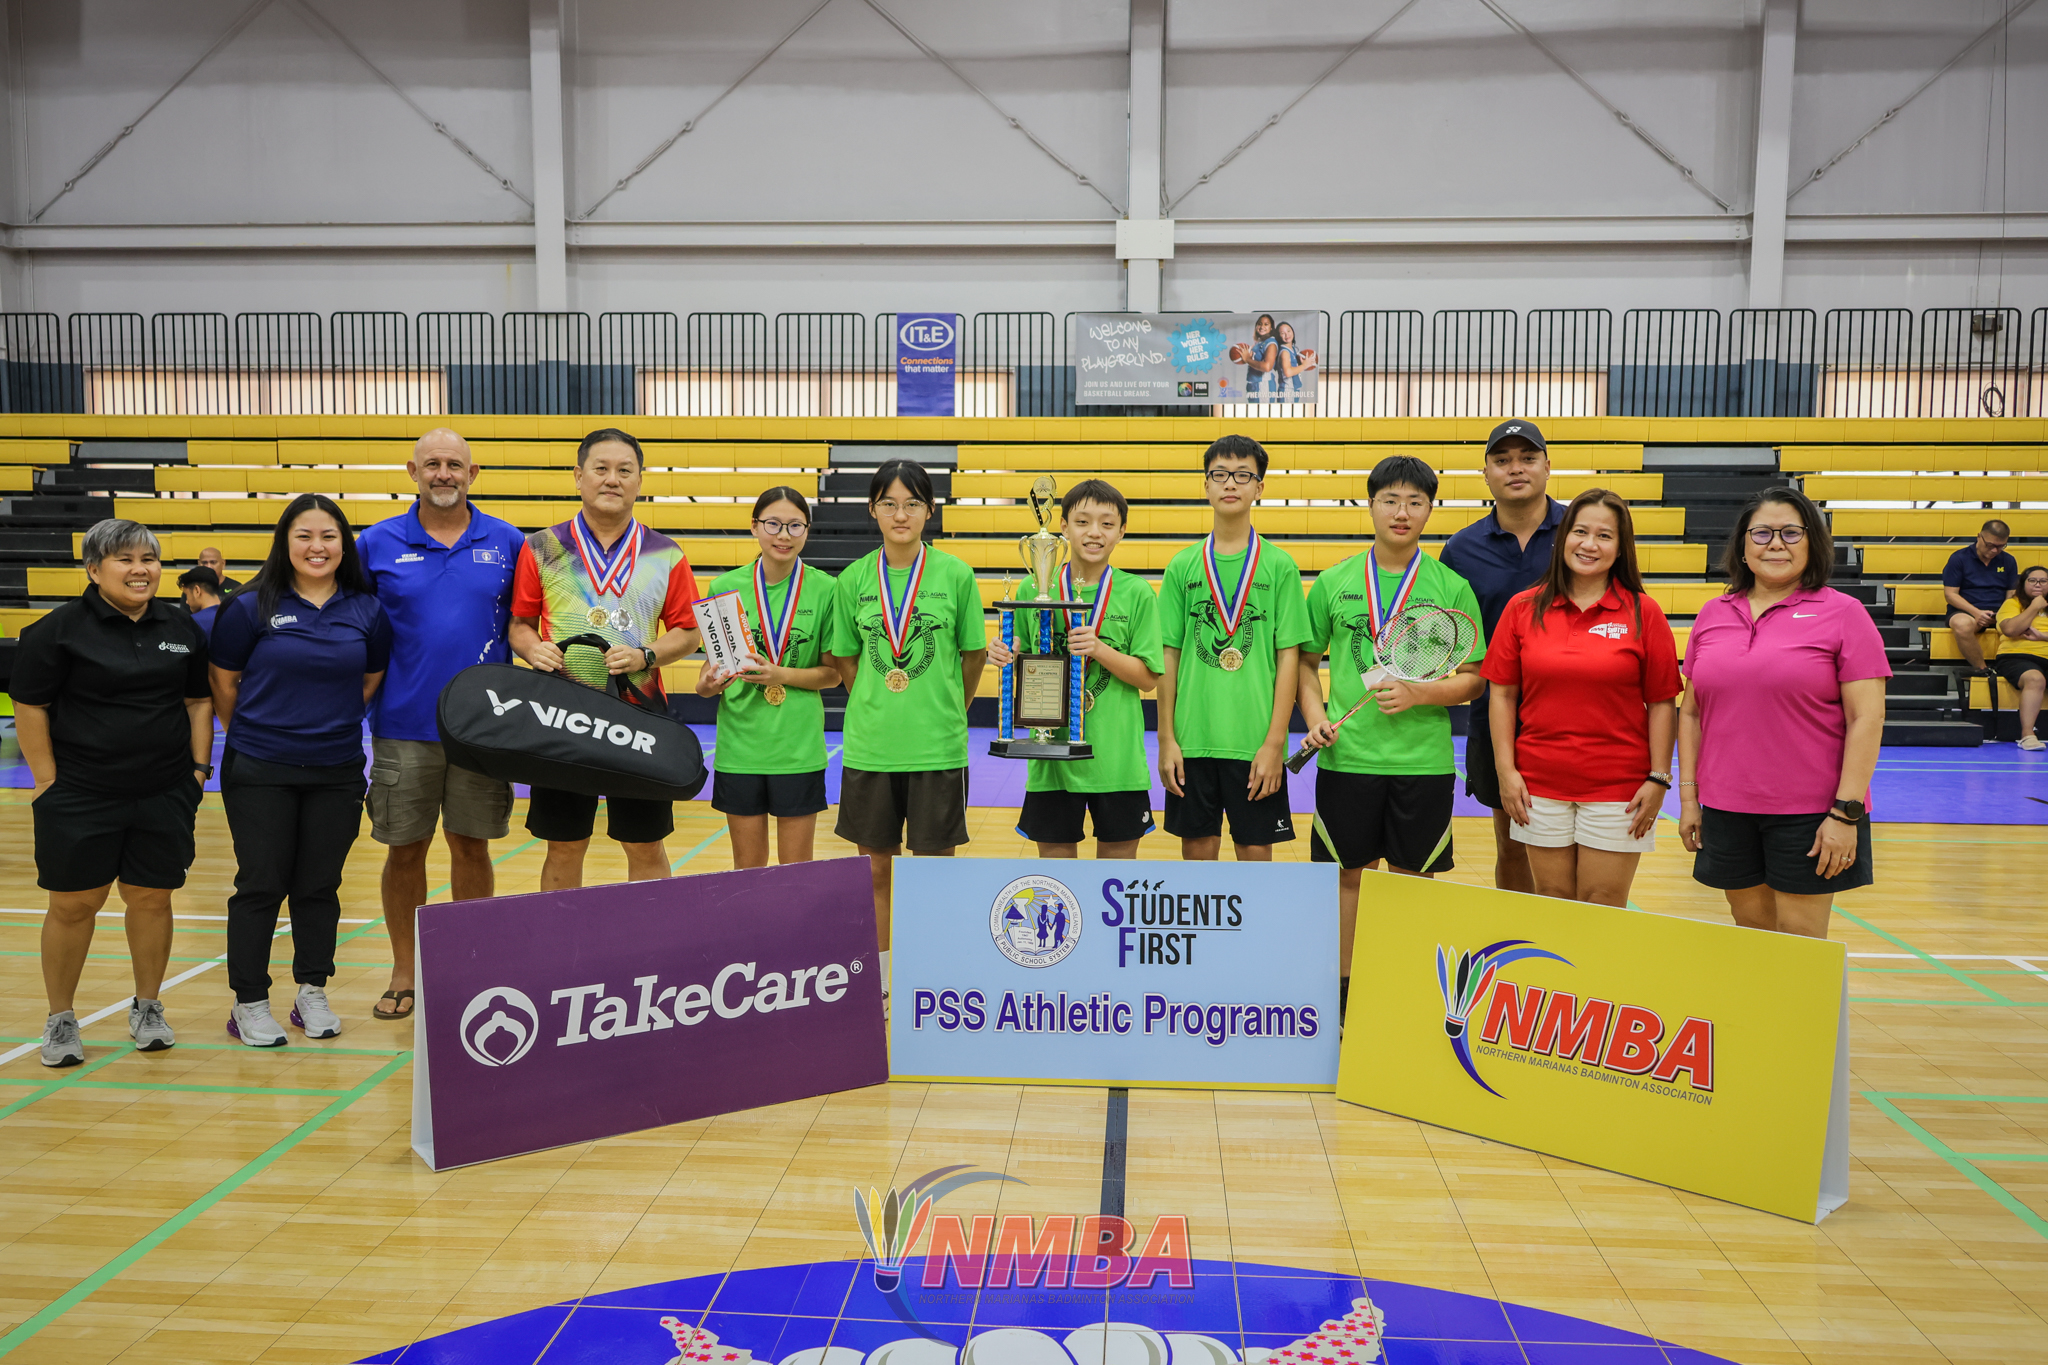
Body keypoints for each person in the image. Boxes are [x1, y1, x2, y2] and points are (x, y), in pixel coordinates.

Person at [12, 520, 213, 1066]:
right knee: (75, 904)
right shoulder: (57, 630)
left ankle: (148, 1007)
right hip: (80, 793)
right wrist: (48, 781)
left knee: (151, 899)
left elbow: (198, 702)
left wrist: (197, 770)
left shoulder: (181, 626)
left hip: (165, 790)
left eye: (149, 558)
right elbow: (29, 705)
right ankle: (60, 1019)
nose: (140, 569)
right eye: (124, 559)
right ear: (93, 569)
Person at [1298, 456, 1484, 1010]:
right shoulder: (1333, 582)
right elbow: (1306, 665)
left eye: (1415, 502)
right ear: (1370, 503)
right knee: (1348, 879)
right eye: (1390, 500)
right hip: (1347, 761)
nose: (1402, 512)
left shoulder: (1451, 586)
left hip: (1420, 765)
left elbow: (1473, 679)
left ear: (1431, 509)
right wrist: (1312, 719)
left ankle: (1402, 992)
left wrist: (1421, 692)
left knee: (1408, 881)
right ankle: (1344, 992)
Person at [355, 427, 525, 1021]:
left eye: (455, 464)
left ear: (473, 474)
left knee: (471, 845)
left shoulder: (508, 541)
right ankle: (406, 968)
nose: (444, 473)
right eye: (433, 464)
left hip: (482, 729)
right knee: (405, 850)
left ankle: (470, 966)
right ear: (413, 471)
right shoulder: (374, 545)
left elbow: (526, 624)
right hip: (402, 725)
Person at [209, 495, 392, 1046]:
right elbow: (223, 684)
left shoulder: (367, 610)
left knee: (319, 885)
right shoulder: (247, 607)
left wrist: (322, 725)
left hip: (335, 768)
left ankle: (312, 989)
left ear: (344, 545)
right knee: (260, 884)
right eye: (305, 536)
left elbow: (368, 682)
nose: (317, 547)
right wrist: (263, 732)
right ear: (285, 543)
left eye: (329, 536)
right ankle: (249, 1002)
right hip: (261, 766)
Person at [1678, 488, 1890, 938]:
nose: (1776, 543)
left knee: (1800, 941)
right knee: (1752, 931)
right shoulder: (1713, 614)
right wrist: (1690, 799)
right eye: (1762, 533)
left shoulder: (1844, 614)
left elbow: (1866, 719)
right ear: (1743, 545)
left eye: (1791, 533)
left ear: (1812, 542)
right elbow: (1692, 713)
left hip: (1812, 813)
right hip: (1726, 807)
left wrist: (1845, 814)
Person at [509, 427, 703, 889]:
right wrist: (531, 647)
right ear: (579, 477)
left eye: (624, 470)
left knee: (645, 842)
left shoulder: (666, 553)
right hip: (561, 714)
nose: (612, 479)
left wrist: (645, 654)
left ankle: (650, 945)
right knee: (565, 842)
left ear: (640, 480)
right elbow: (519, 624)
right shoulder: (541, 547)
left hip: (637, 715)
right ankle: (561, 950)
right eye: (601, 469)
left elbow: (690, 633)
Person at [1482, 490, 1681, 906]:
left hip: (1619, 790)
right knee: (1551, 900)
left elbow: (1662, 702)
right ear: (1563, 538)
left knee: (1601, 903)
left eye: (1605, 536)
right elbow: (1501, 695)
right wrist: (1506, 771)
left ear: (1620, 547)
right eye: (1580, 531)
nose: (1590, 544)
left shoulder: (1645, 613)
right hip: (1538, 784)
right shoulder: (1522, 608)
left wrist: (1659, 778)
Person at [825, 459, 987, 969]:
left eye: (912, 503)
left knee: (934, 870)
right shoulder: (852, 580)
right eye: (890, 504)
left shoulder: (956, 575)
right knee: (874, 869)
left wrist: (947, 710)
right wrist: (875, 701)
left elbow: (974, 654)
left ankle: (930, 974)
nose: (901, 514)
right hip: (872, 746)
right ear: (873, 509)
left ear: (929, 511)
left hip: (937, 747)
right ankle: (885, 976)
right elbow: (844, 658)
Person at [984, 479, 1163, 858]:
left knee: (1114, 877)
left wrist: (1099, 649)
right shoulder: (1034, 589)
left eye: (1107, 523)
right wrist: (1008, 651)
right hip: (1051, 761)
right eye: (1082, 522)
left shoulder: (1136, 593)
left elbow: (1148, 678)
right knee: (1057, 881)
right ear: (1062, 527)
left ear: (1122, 531)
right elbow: (1029, 657)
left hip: (1116, 763)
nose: (1094, 532)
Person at [1158, 435, 1311, 862]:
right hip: (1193, 742)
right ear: (1205, 485)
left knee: (1256, 856)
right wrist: (1167, 739)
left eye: (1243, 475)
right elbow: (1168, 657)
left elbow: (1289, 660)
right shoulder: (1182, 566)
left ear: (1259, 487)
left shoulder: (1279, 566)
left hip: (1255, 743)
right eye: (1220, 474)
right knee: (1198, 862)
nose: (1231, 483)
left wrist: (1274, 743)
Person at [1439, 418, 1564, 895]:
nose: (1516, 468)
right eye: (1503, 460)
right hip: (1496, 714)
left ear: (1547, 467)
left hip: (1569, 713)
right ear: (1486, 473)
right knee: (1512, 841)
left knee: (1571, 845)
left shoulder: (1578, 534)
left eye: (1528, 458)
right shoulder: (1461, 550)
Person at [697, 487, 839, 867]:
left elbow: (832, 674)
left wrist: (781, 674)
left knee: (796, 871)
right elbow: (706, 676)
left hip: (798, 748)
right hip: (740, 748)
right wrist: (708, 684)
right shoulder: (725, 588)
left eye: (795, 525)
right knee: (748, 872)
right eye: (773, 524)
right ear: (754, 528)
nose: (784, 535)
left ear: (807, 531)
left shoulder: (827, 589)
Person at [1942, 519, 2017, 675]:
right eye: (1990, 545)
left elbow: (2011, 594)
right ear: (1979, 537)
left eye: (2001, 546)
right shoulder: (1959, 558)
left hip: (1999, 611)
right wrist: (1977, 613)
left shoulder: (2008, 560)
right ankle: (1983, 670)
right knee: (1962, 625)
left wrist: (2003, 614)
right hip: (1967, 611)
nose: (1995, 551)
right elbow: (1950, 595)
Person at [1994, 564, 2048, 751]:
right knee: (2035, 678)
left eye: (2043, 581)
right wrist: (2034, 607)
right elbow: (2010, 630)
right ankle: (2027, 734)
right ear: (2023, 584)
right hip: (2016, 657)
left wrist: (2043, 636)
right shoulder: (2012, 603)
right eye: (2032, 581)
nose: (2037, 585)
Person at [177, 565, 225, 637]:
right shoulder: (235, 616)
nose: (186, 601)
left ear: (197, 591)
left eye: (186, 595)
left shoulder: (193, 623)